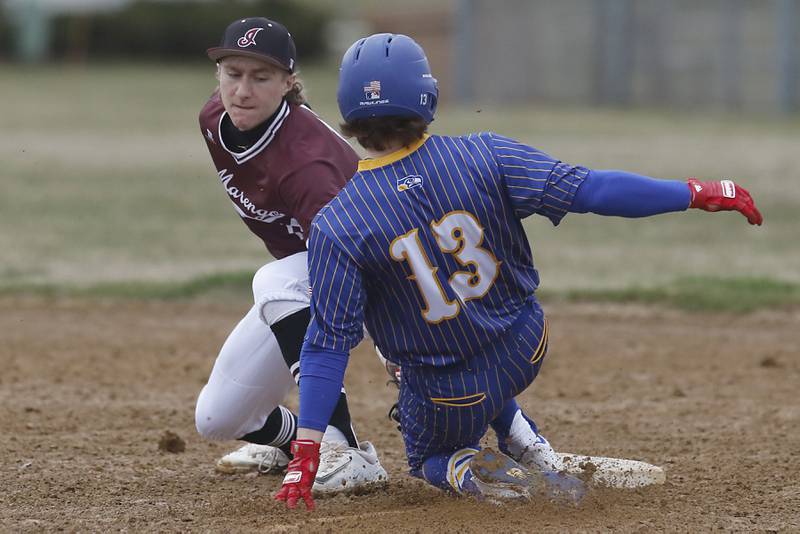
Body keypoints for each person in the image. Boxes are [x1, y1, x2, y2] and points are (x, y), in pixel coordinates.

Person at [274, 33, 763, 510]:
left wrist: (308, 449)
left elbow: (327, 344)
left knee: (426, 450)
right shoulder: (485, 153)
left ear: (348, 115)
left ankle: (463, 463)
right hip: (526, 346)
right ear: (426, 94)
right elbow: (593, 190)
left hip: (449, 396)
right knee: (468, 342)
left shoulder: (337, 223)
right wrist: (696, 192)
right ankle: (526, 441)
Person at [194, 17, 387, 493]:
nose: (242, 90)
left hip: (374, 272)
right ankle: (285, 442)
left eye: (261, 77)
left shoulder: (309, 165)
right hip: (305, 278)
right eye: (232, 73)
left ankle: (343, 449)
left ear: (288, 83)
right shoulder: (213, 121)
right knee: (217, 417)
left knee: (273, 281)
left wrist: (390, 342)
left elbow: (349, 256)